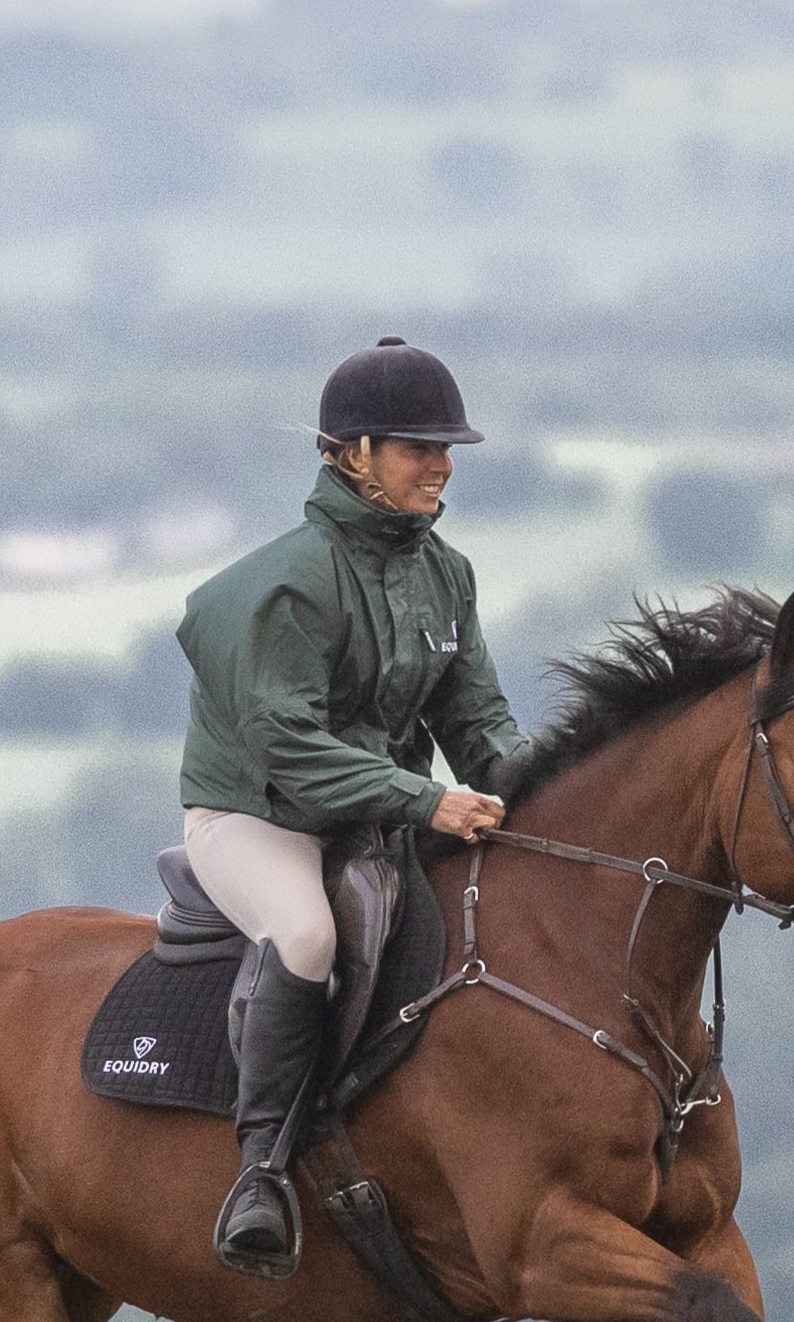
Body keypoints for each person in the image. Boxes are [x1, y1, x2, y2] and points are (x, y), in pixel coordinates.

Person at [176, 336, 531, 1273]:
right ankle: (259, 1170)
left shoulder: (444, 572)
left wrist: (545, 797)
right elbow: (288, 750)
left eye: (448, 448)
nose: (444, 465)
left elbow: (476, 714)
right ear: (355, 453)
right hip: (260, 817)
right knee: (305, 937)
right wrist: (427, 801)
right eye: (422, 447)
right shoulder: (292, 582)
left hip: (376, 814)